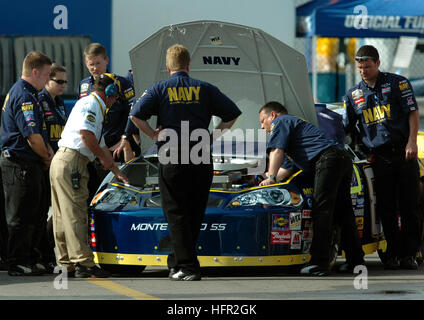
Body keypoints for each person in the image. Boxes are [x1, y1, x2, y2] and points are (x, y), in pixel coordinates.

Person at [129, 44, 241, 281]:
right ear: (188, 65)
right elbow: (232, 114)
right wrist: (214, 136)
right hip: (200, 155)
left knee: (175, 212)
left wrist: (152, 134)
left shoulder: (159, 88)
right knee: (194, 211)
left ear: (168, 66)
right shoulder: (206, 89)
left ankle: (188, 267)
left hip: (172, 156)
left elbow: (135, 115)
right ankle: (177, 263)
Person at [259, 101, 364, 276]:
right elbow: (284, 171)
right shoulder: (294, 132)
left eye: (263, 121)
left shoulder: (282, 121)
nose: (262, 127)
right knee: (343, 213)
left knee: (321, 212)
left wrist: (270, 177)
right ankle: (356, 261)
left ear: (273, 115)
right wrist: (264, 179)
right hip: (341, 159)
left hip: (328, 160)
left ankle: (319, 262)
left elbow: (276, 151)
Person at [343, 45, 421, 270]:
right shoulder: (353, 95)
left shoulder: (399, 83)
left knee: (410, 205)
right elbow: (346, 128)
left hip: (404, 152)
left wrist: (412, 141)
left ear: (377, 64)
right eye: (359, 67)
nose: (363, 71)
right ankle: (393, 253)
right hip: (378, 157)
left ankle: (410, 253)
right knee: (385, 207)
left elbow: (412, 112)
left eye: (367, 66)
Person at [50, 73, 129, 278]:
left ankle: (66, 262)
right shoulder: (93, 104)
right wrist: (104, 159)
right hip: (73, 162)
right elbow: (87, 136)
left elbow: (100, 144)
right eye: (115, 98)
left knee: (61, 215)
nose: (114, 103)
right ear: (110, 93)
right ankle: (84, 263)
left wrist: (116, 172)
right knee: (76, 213)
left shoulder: (88, 104)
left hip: (61, 160)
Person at [0, 51, 54, 276]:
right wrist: (46, 156)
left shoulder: (29, 94)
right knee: (20, 216)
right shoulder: (25, 96)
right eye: (47, 75)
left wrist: (46, 152)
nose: (48, 80)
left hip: (28, 164)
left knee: (36, 213)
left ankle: (30, 258)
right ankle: (17, 261)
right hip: (19, 164)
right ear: (35, 72)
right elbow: (32, 137)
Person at [36, 63, 69, 273]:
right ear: (47, 80)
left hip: (59, 161)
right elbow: (38, 132)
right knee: (42, 212)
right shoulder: (40, 100)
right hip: (45, 162)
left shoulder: (60, 102)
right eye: (59, 81)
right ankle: (43, 255)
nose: (63, 85)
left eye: (65, 81)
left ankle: (48, 255)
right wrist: (47, 156)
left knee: (55, 211)